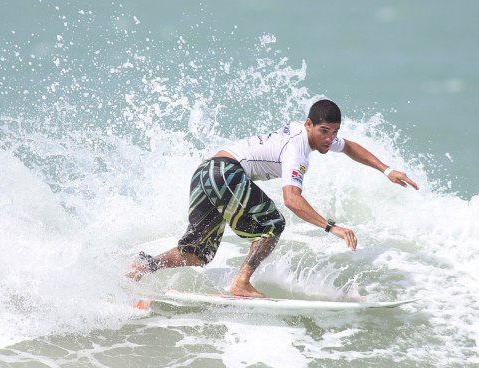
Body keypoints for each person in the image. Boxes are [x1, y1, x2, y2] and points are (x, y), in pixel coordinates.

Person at [127, 99, 419, 298]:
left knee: (196, 253)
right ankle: (241, 282)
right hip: (226, 173)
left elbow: (349, 147)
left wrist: (387, 169)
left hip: (206, 172)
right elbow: (292, 199)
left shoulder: (312, 136)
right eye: (324, 131)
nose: (329, 139)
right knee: (273, 223)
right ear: (309, 125)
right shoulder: (298, 148)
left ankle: (142, 268)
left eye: (334, 132)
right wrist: (333, 227)